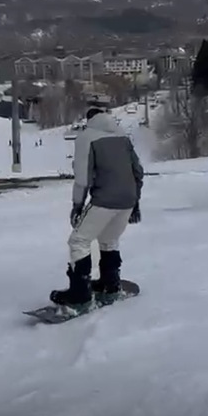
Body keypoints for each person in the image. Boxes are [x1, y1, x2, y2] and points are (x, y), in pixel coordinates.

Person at [50, 106, 143, 308]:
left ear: (89, 119)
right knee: (109, 240)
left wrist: (77, 206)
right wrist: (135, 203)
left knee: (78, 241)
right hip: (128, 199)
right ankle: (110, 284)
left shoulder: (86, 137)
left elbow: (83, 178)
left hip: (105, 199)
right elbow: (138, 171)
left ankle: (80, 294)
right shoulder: (123, 137)